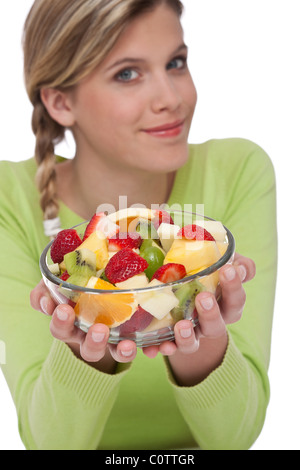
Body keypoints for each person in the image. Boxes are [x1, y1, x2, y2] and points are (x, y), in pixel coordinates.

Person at [0, 0, 277, 450]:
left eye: (176, 63)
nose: (172, 98)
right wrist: (81, 351)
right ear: (59, 101)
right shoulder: (9, 198)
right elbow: (48, 443)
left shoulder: (239, 170)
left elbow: (236, 438)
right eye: (127, 73)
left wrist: (205, 342)